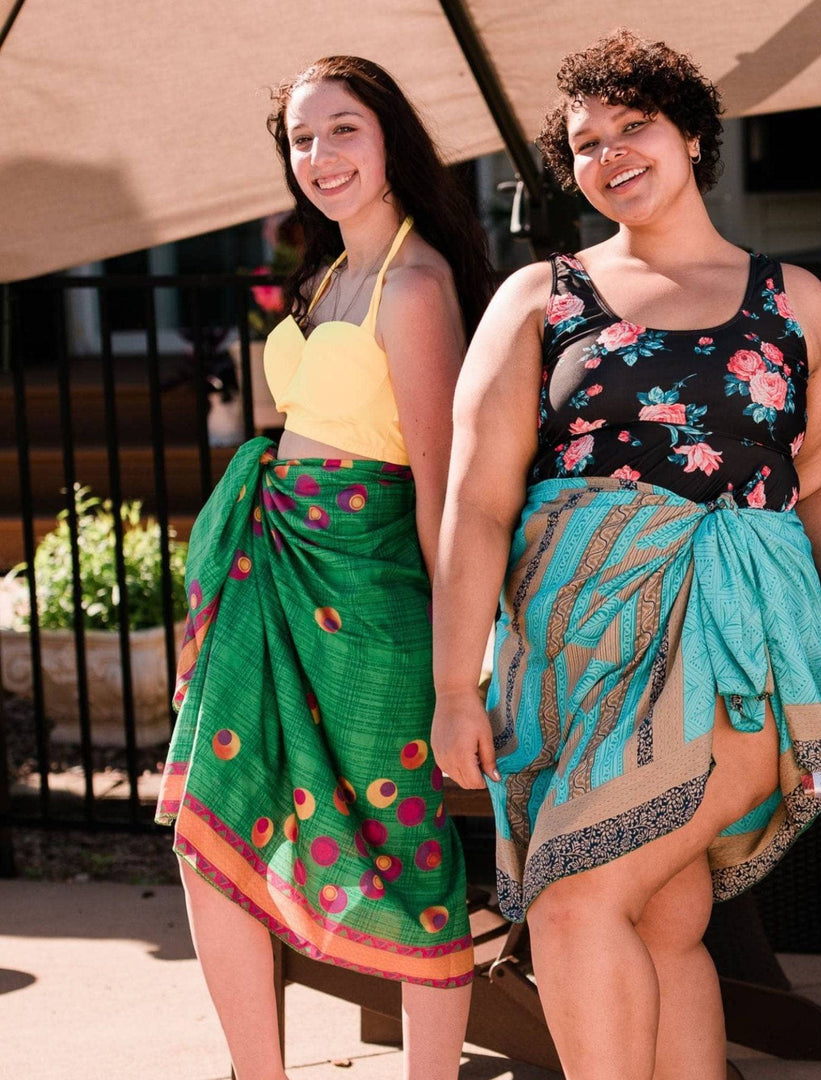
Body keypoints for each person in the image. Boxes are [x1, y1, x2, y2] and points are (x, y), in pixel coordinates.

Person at [431, 30, 821, 1080]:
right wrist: (459, 685)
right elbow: (477, 501)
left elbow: (814, 479)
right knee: (664, 913)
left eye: (634, 126)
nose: (612, 153)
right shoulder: (538, 301)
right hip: (575, 654)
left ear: (691, 135)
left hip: (741, 647)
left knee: (576, 895)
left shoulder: (793, 298)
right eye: (587, 143)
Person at [156, 55, 493, 1080]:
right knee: (208, 840)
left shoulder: (419, 282)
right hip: (274, 581)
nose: (319, 156)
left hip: (369, 601)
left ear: (391, 136)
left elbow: (442, 490)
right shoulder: (329, 274)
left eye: (341, 129)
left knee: (405, 856)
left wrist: (456, 676)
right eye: (302, 138)